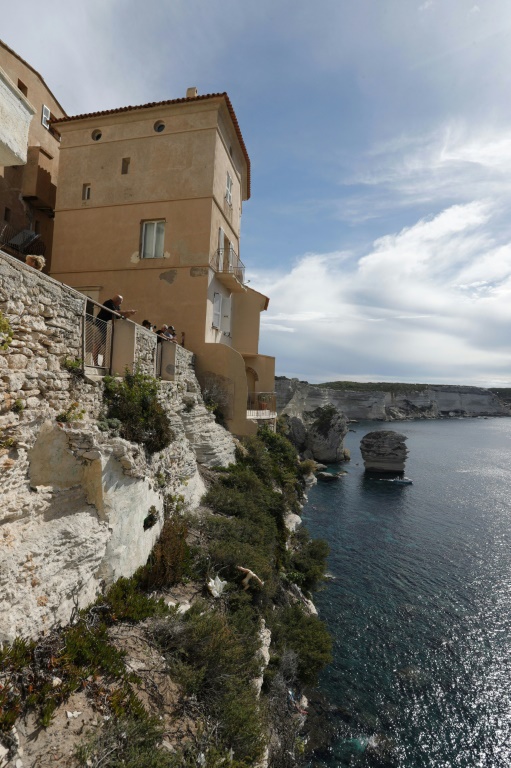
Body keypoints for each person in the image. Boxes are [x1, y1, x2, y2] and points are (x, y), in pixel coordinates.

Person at [93, 294, 136, 365]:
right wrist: (127, 311)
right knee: (97, 345)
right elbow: (115, 312)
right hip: (99, 326)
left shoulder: (117, 306)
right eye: (120, 302)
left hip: (106, 327)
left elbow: (119, 316)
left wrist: (129, 314)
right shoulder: (108, 303)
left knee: (106, 346)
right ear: (117, 301)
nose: (120, 303)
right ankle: (95, 363)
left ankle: (104, 364)